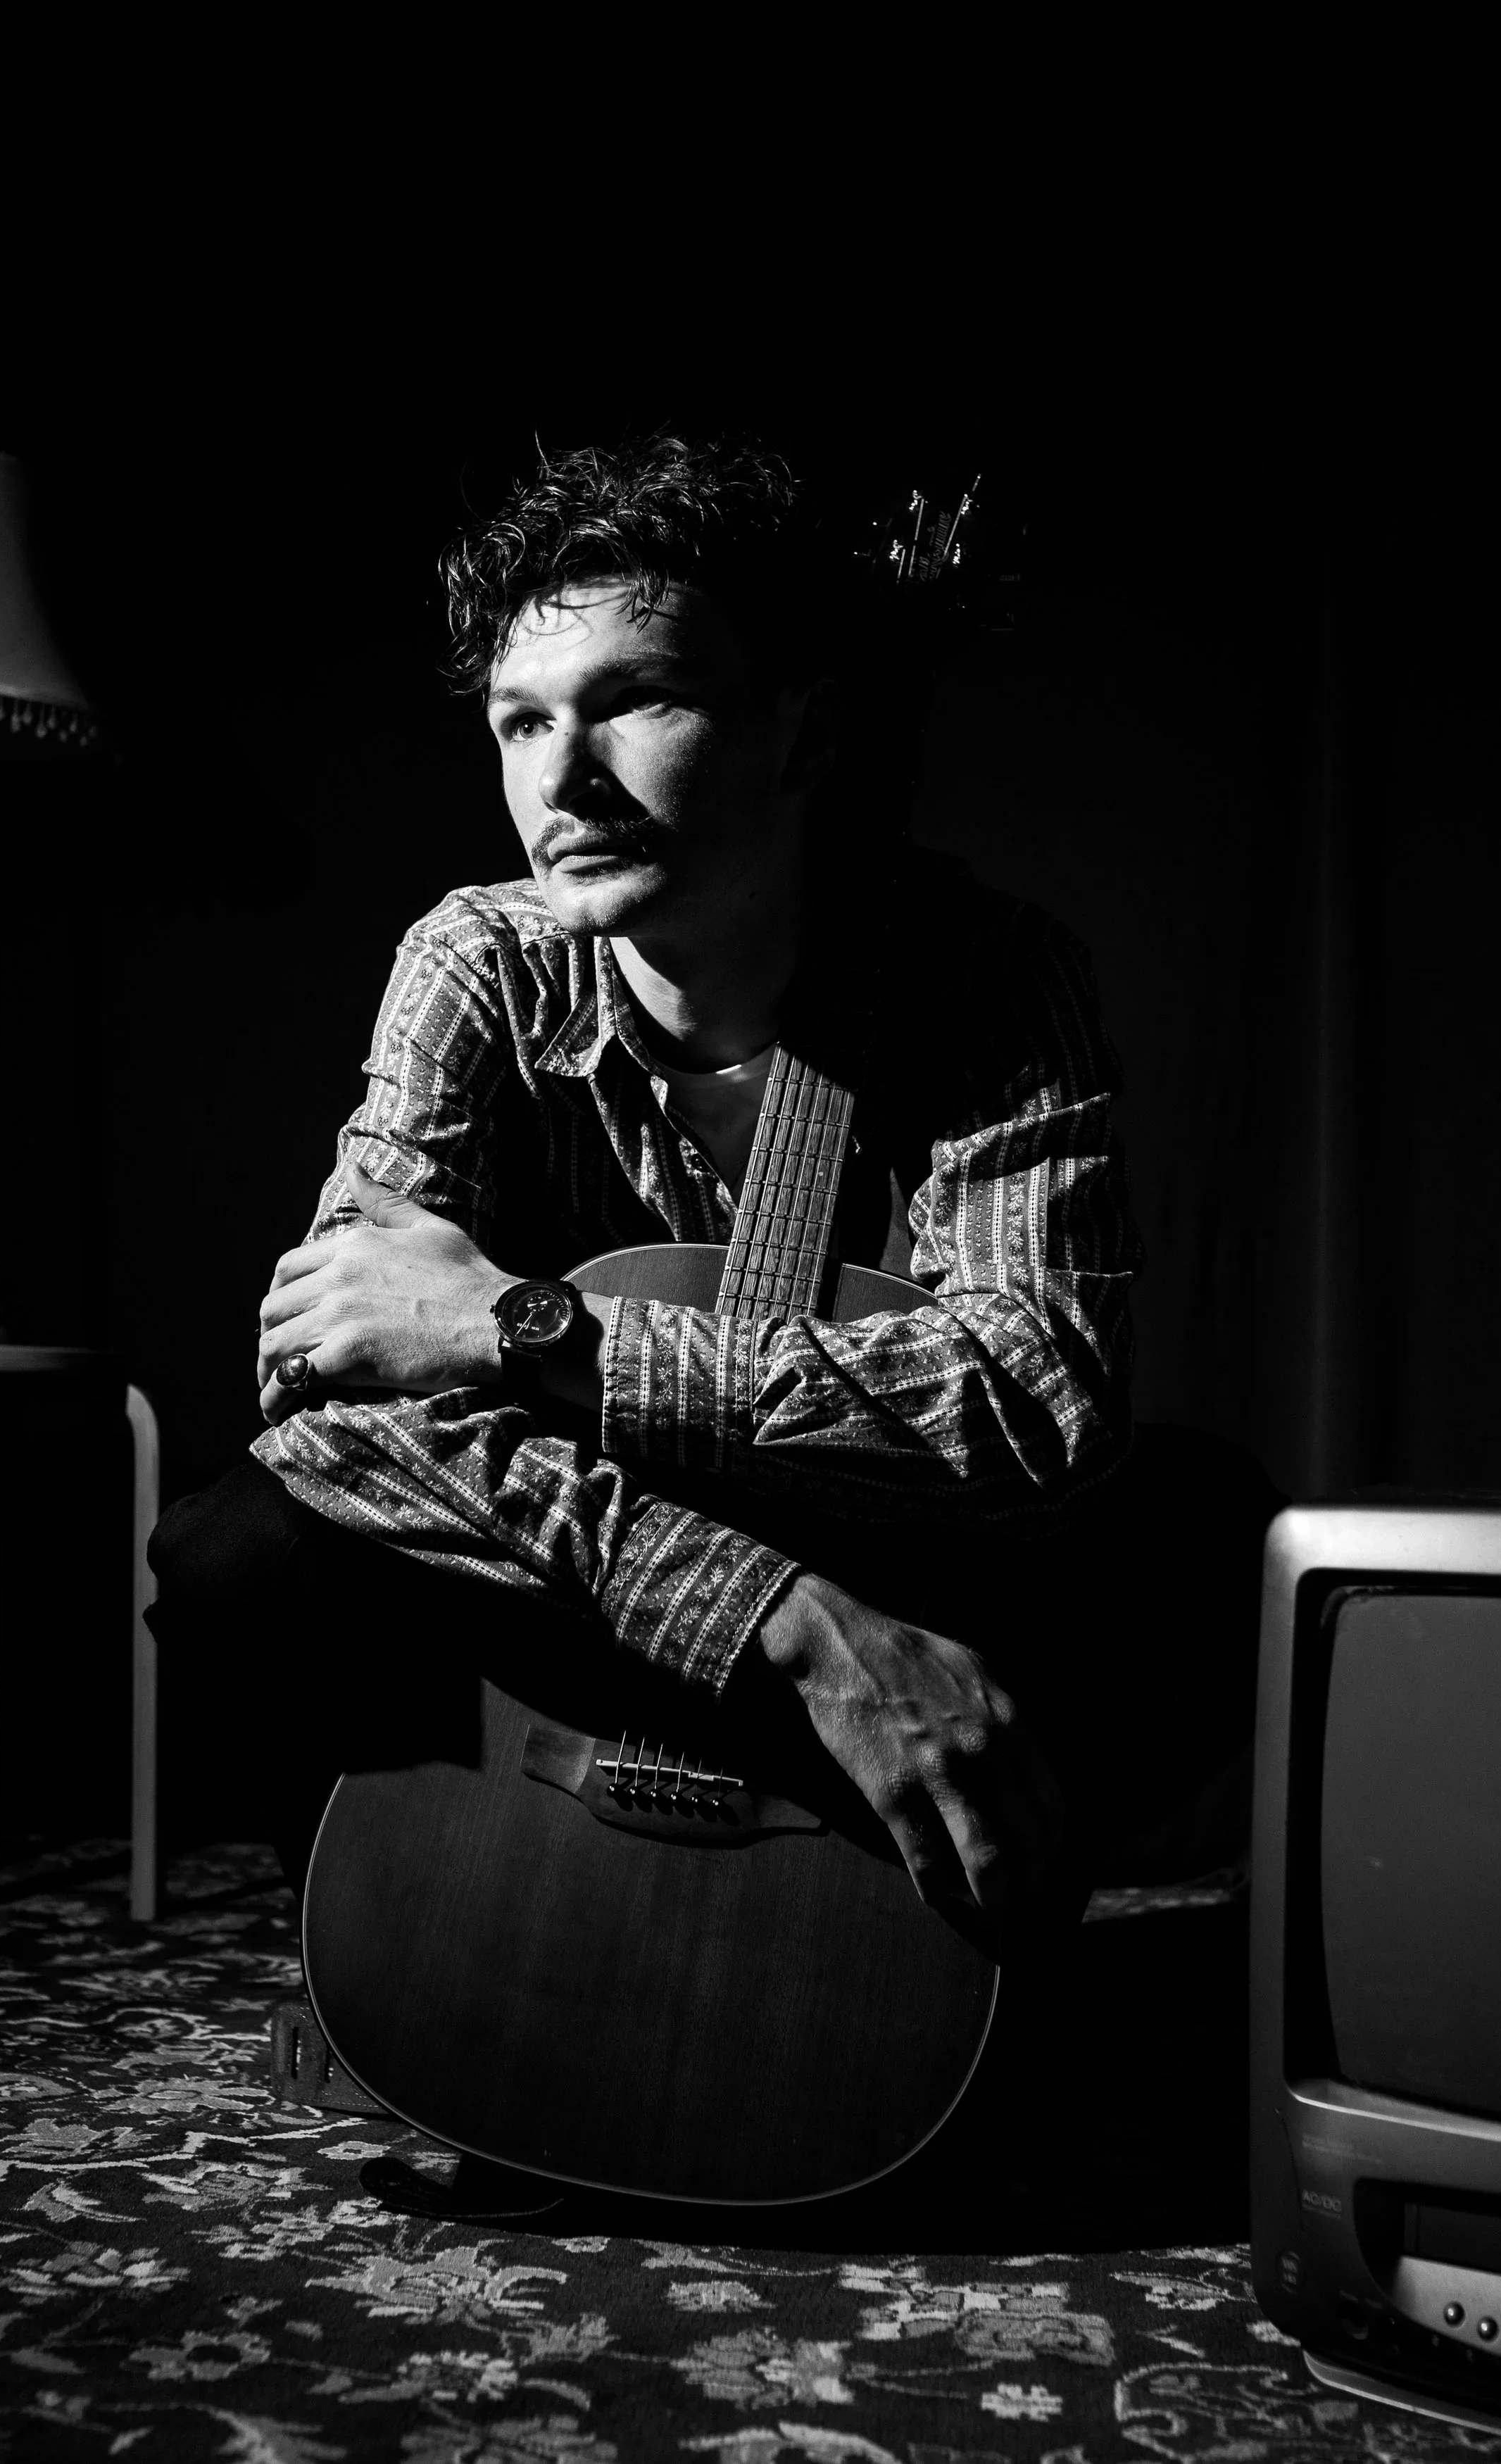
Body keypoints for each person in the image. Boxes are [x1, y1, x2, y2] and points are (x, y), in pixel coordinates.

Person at [149, 436, 1274, 1930]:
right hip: (603, 1603)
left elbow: (1038, 1410)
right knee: (240, 1550)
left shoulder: (988, 977)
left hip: (913, 1566)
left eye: (636, 702)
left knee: (1206, 1541)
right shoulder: (477, 961)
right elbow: (322, 1400)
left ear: (802, 736)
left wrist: (522, 1329)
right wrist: (785, 1620)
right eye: (520, 720)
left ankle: (904, 1944)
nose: (562, 778)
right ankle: (419, 1963)